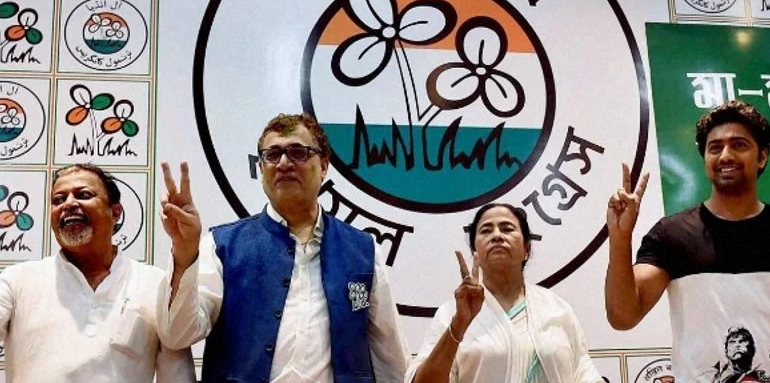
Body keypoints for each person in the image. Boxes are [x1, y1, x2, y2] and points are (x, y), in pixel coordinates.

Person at [157, 113, 409, 383]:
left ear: (324, 165)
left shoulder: (362, 250)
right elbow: (177, 335)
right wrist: (184, 254)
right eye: (273, 154)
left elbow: (390, 357)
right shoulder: (223, 246)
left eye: (298, 152)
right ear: (261, 168)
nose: (284, 163)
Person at [0, 163, 196, 383]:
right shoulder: (20, 280)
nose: (69, 204)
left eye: (84, 195)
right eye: (58, 199)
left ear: (115, 212)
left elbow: (176, 376)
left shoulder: (154, 284)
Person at [605, 100, 770, 383]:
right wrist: (620, 238)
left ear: (762, 157)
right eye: (715, 147)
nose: (725, 155)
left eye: (739, 145)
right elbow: (623, 317)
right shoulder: (672, 234)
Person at [406, 203, 602, 383]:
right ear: (475, 250)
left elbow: (584, 373)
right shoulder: (450, 314)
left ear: (527, 248)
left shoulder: (555, 308)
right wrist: (458, 325)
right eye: (486, 230)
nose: (497, 235)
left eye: (507, 229)